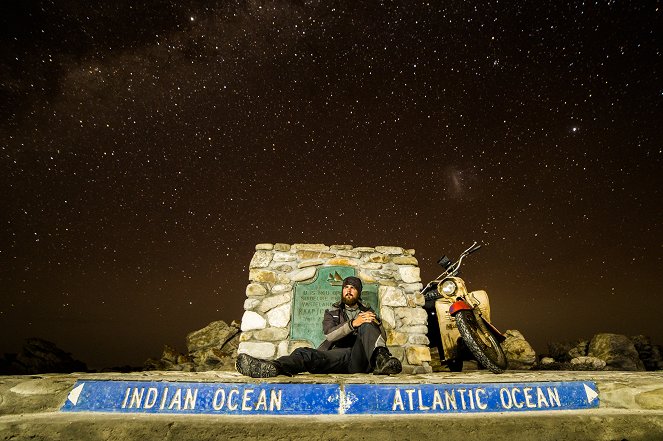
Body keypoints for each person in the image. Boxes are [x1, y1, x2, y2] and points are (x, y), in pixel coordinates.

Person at [236, 276, 402, 377]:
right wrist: (353, 323)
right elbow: (330, 335)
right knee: (304, 353)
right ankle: (273, 367)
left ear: (358, 292)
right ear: (342, 291)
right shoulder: (332, 312)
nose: (349, 290)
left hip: (360, 359)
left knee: (367, 323)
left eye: (353, 288)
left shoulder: (368, 312)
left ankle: (383, 363)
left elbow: (380, 339)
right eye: (346, 287)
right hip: (336, 357)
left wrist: (376, 323)